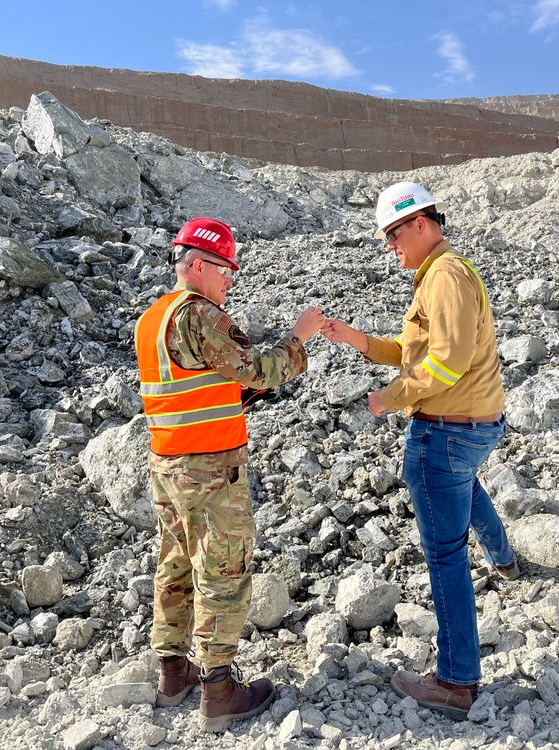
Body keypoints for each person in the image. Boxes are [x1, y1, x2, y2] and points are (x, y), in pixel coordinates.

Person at [321, 182, 519, 720]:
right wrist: (355, 339)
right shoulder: (439, 274)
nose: (390, 246)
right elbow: (416, 352)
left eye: (393, 234)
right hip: (473, 426)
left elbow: (445, 364)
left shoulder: (446, 277)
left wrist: (389, 399)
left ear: (421, 223)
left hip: (446, 430)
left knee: (445, 554)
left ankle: (456, 681)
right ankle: (505, 558)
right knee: (465, 485)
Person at [135, 217, 324, 733]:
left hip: (168, 463)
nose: (230, 281)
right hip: (211, 466)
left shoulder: (153, 318)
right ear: (197, 265)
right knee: (223, 567)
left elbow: (204, 388)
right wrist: (299, 337)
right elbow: (258, 368)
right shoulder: (200, 314)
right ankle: (218, 692)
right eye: (225, 269)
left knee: (175, 560)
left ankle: (174, 673)